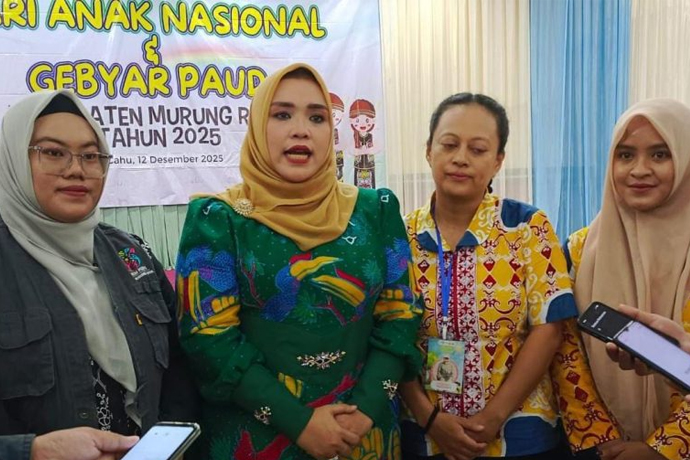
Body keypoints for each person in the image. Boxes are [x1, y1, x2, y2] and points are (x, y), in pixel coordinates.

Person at [175, 63, 421, 460]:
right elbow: (208, 338)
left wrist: (364, 411)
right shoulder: (219, 220)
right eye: (282, 114)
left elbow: (401, 316)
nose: (301, 129)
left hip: (363, 433)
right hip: (257, 437)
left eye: (317, 117)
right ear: (258, 127)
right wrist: (299, 422)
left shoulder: (375, 211)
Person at [0, 90, 198, 460]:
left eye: (91, 156)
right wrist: (32, 452)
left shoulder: (131, 254)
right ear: (12, 160)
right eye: (53, 152)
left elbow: (179, 370)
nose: (76, 169)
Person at [401, 93, 577, 460]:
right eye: (449, 144)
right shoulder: (401, 236)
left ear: (498, 161)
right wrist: (429, 418)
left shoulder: (526, 226)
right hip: (426, 434)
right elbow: (389, 334)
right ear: (429, 151)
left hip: (519, 435)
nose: (461, 158)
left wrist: (492, 417)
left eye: (478, 149)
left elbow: (549, 328)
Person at [557, 98, 690, 460]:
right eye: (625, 155)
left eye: (660, 154)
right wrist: (601, 438)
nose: (639, 170)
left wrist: (663, 448)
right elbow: (567, 353)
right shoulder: (579, 249)